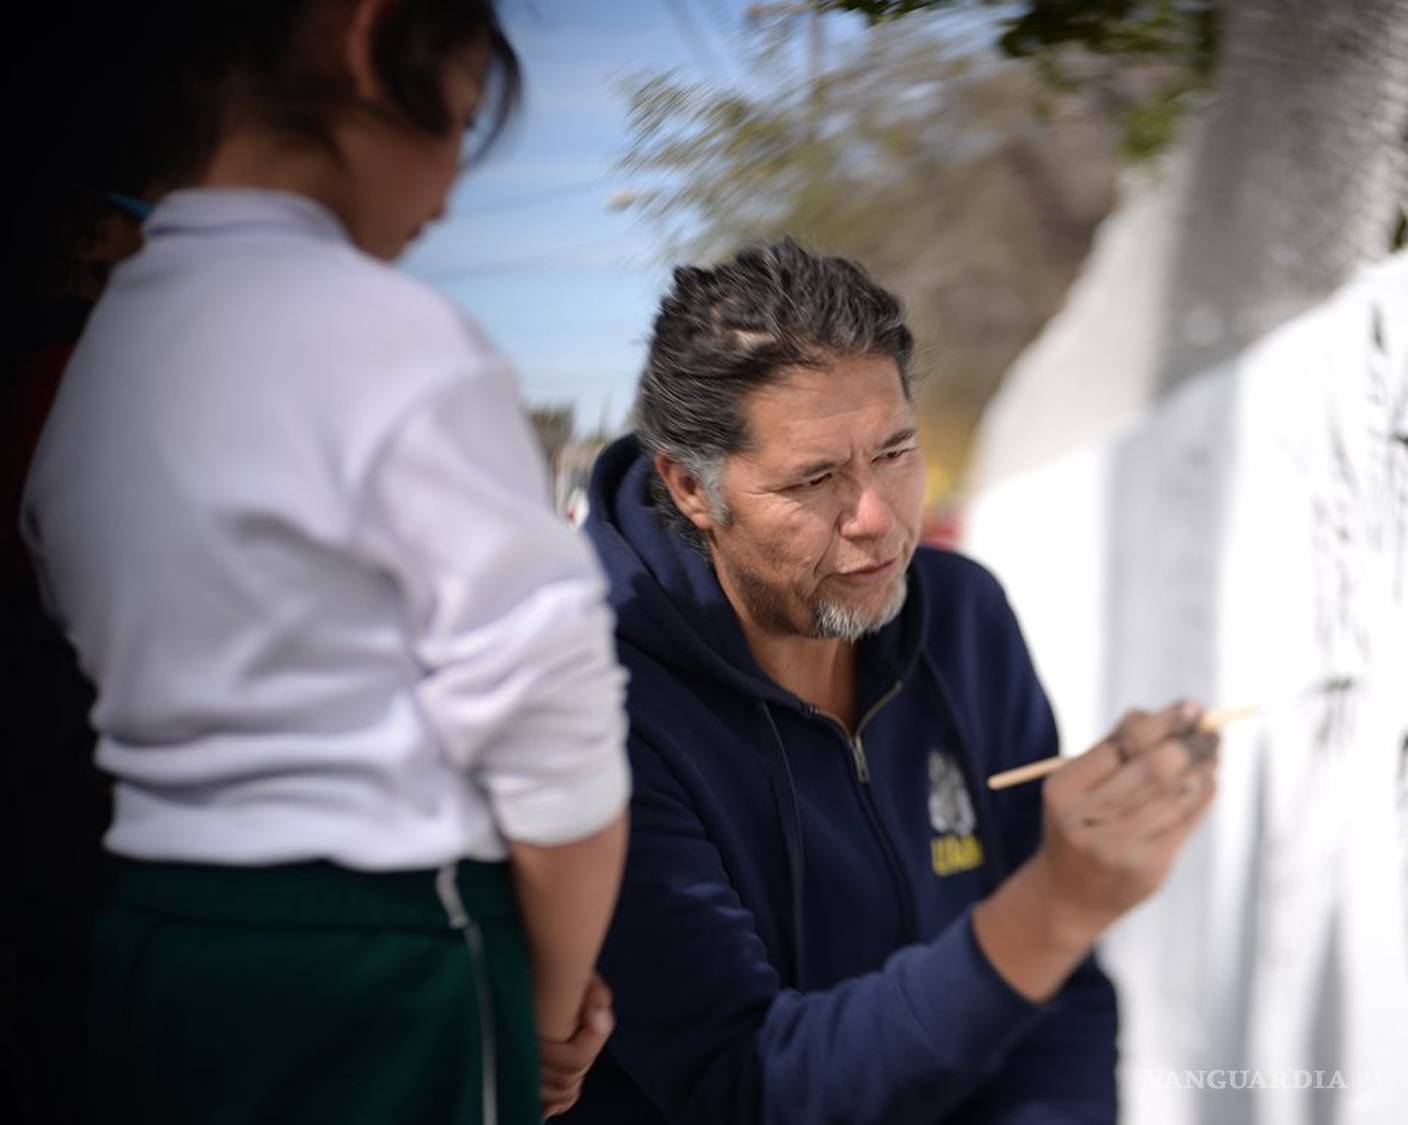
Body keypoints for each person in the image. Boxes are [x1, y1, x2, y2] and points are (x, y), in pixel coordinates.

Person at [20, 2, 628, 1121]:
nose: (450, 193)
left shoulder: (102, 360)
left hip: (156, 947)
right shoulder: (400, 342)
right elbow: (561, 751)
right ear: (370, 41)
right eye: (461, 118)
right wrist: (543, 1023)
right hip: (391, 962)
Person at [562, 240, 1220, 1124]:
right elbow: (748, 1084)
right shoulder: (598, 704)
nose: (876, 518)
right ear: (690, 487)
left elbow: (1058, 991)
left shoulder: (964, 619)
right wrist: (1053, 906)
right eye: (816, 478)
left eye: (896, 451)